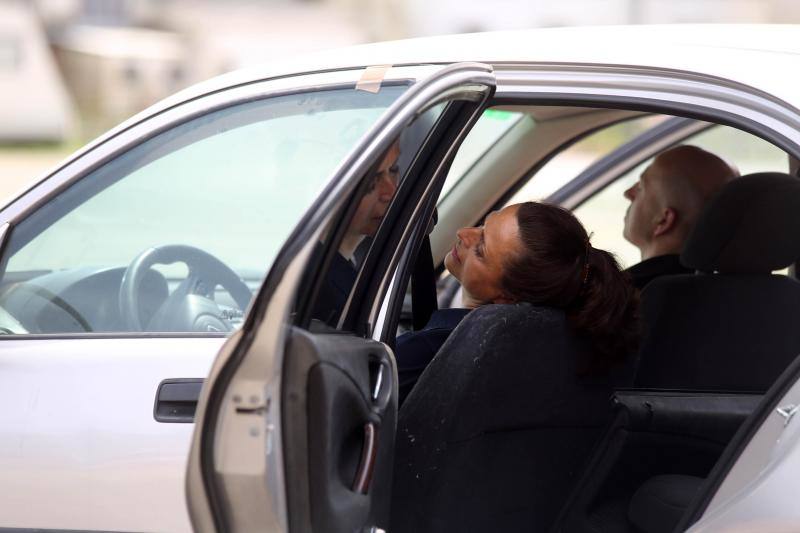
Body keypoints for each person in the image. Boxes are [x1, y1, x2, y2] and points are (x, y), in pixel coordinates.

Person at [396, 201, 638, 404]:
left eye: (481, 249)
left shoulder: (423, 355)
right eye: (483, 225)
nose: (463, 232)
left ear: (508, 296)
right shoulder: (573, 358)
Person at [623, 145, 738, 289]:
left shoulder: (614, 299)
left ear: (664, 220)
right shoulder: (743, 294)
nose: (628, 193)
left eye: (641, 187)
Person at [312, 141, 401, 324]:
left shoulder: (340, 267)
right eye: (370, 181)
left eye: (393, 170)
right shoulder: (320, 293)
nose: (391, 192)